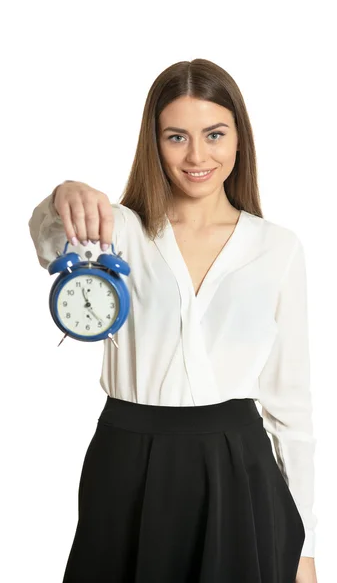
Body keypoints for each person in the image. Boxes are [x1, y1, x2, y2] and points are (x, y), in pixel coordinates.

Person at [28, 58, 318, 583]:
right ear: (154, 143)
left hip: (239, 468)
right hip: (127, 458)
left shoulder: (278, 247)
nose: (197, 155)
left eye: (214, 134)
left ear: (238, 139)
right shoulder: (118, 229)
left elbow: (290, 406)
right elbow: (49, 243)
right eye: (176, 137)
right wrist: (62, 194)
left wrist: (307, 547)